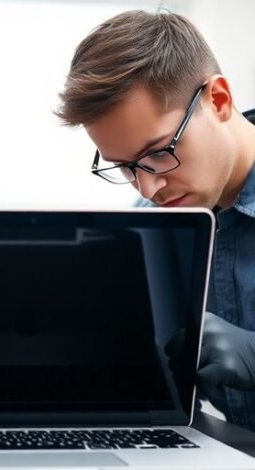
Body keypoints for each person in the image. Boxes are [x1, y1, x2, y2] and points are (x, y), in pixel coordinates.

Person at [56, 9, 255, 431]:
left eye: (159, 152)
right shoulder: (155, 226)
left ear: (218, 100)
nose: (147, 190)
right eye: (127, 167)